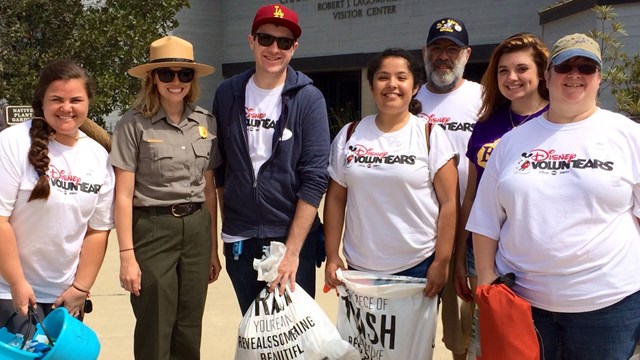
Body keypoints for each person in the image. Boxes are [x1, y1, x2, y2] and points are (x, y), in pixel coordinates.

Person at [467, 33, 640, 359]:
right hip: (523, 303)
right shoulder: (511, 142)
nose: (575, 75)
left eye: (586, 68)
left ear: (598, 78)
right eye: (565, 67)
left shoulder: (628, 136)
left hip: (608, 306)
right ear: (547, 76)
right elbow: (486, 218)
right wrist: (487, 279)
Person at [212, 4, 330, 315]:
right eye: (266, 39)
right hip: (240, 238)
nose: (274, 48)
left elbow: (315, 178)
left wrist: (292, 252)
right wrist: (233, 220)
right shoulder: (227, 93)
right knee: (256, 334)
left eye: (284, 42)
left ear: (295, 48)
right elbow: (221, 170)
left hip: (289, 237)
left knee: (293, 337)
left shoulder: (308, 98)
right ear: (251, 40)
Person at [109, 36, 219, 359]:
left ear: (192, 80)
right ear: (152, 78)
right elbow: (124, 195)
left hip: (197, 229)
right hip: (153, 229)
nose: (176, 82)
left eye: (184, 75)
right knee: (155, 324)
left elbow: (208, 188)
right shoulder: (133, 124)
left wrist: (212, 248)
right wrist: (127, 255)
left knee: (189, 325)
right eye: (166, 74)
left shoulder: (205, 121)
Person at [323, 47, 458, 304]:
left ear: (415, 86)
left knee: (412, 346)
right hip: (359, 268)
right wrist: (332, 254)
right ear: (372, 85)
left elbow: (449, 203)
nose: (392, 85)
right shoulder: (350, 134)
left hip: (416, 267)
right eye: (383, 77)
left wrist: (442, 261)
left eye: (401, 77)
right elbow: (336, 199)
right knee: (362, 346)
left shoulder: (430, 135)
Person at [0, 59, 114, 333]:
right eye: (56, 99)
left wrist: (80, 287)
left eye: (76, 99)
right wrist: (17, 283)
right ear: (42, 102)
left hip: (66, 296)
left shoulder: (98, 155)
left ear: (88, 103)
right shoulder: (13, 142)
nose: (66, 108)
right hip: (8, 290)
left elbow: (97, 230)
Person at [415, 17, 482, 359]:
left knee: (468, 328)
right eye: (437, 48)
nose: (444, 57)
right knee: (422, 326)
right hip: (424, 229)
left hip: (471, 228)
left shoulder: (484, 98)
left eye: (452, 50)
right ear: (425, 52)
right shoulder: (410, 99)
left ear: (466, 55)